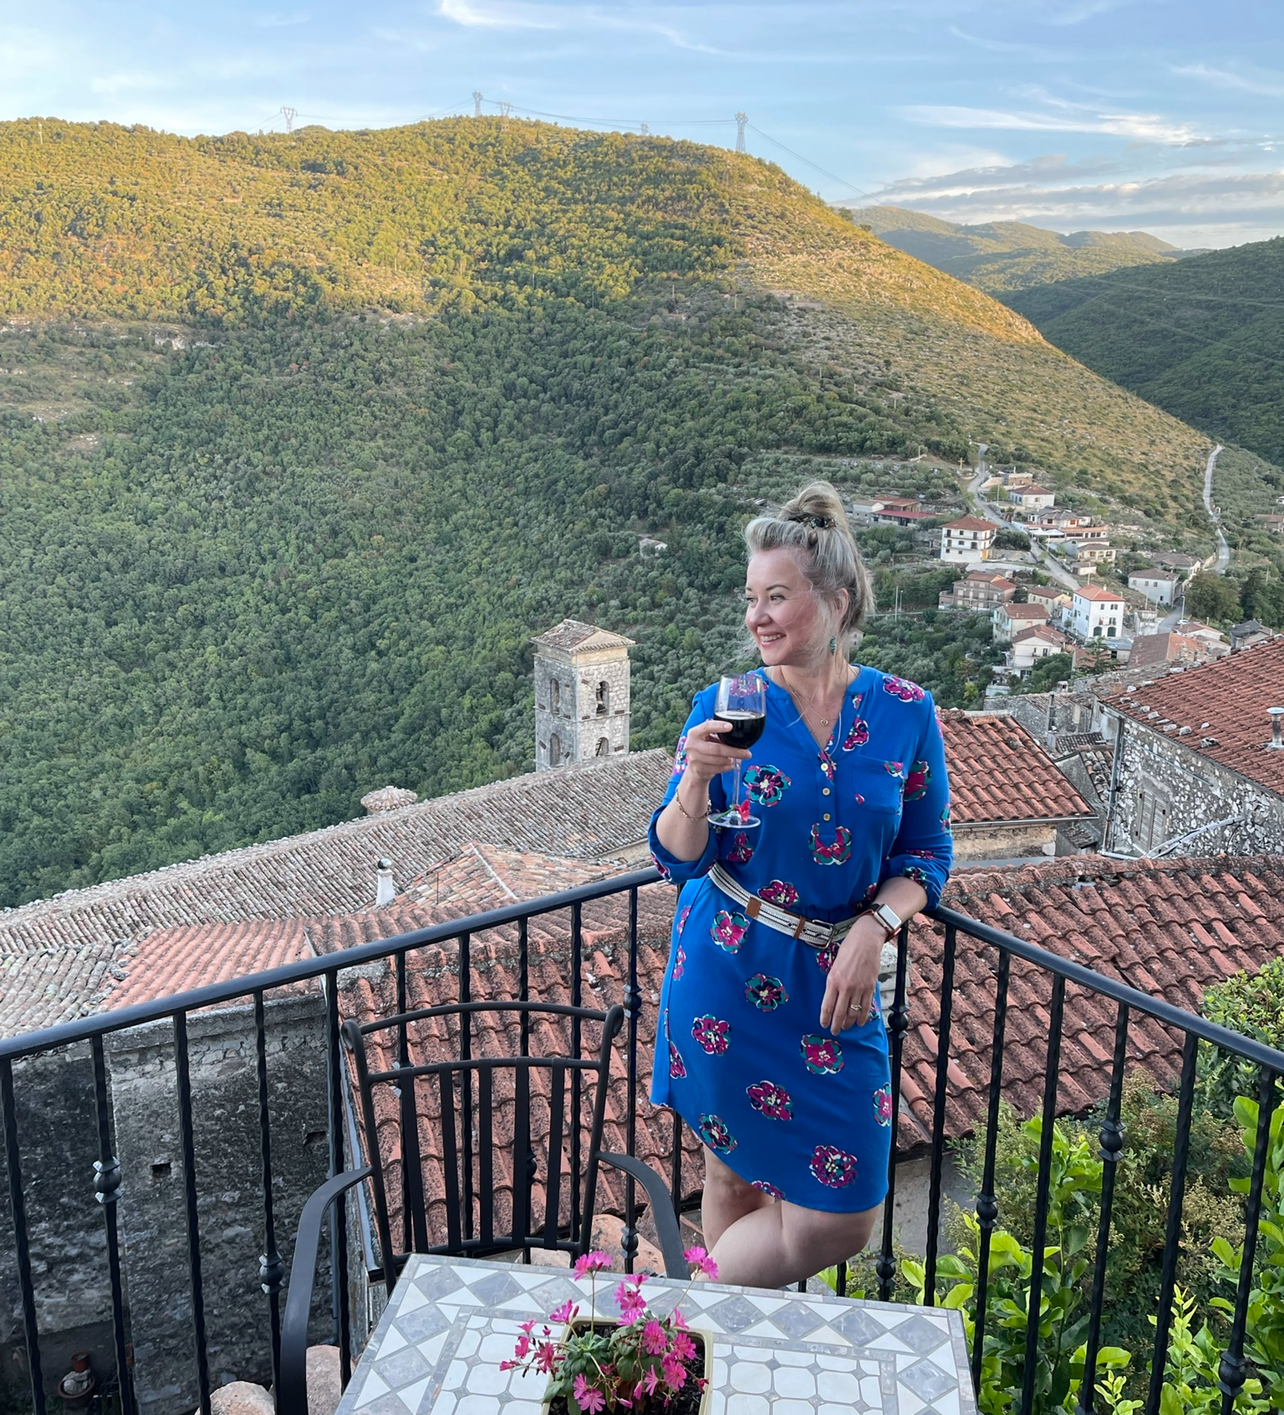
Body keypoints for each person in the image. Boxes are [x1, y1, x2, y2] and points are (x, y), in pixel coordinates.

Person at [648, 480, 953, 1290]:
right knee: (730, 1178)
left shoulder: (905, 710)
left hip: (835, 990)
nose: (757, 616)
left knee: (845, 1213)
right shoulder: (724, 705)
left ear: (835, 600)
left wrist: (874, 927)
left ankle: (686, 1319)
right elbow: (677, 855)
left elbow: (927, 855)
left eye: (775, 596)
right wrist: (694, 786)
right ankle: (732, 1352)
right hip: (726, 969)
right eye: (751, 597)